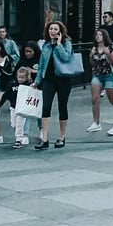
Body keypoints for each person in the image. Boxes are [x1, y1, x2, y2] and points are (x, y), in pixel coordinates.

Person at [35, 21, 76, 151]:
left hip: (63, 79)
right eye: (50, 29)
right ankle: (45, 138)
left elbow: (65, 57)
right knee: (46, 106)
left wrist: (58, 45)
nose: (52, 31)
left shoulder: (66, 44)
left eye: (55, 29)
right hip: (48, 79)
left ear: (60, 31)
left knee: (62, 106)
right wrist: (37, 81)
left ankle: (61, 136)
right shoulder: (46, 45)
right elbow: (41, 64)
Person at [86, 28, 113, 132]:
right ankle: (96, 122)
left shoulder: (110, 48)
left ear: (104, 37)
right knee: (95, 99)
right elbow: (92, 63)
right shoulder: (94, 48)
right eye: (97, 35)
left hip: (109, 75)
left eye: (100, 35)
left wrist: (108, 54)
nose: (98, 37)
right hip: (97, 75)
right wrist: (91, 56)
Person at [11, 43, 40, 147]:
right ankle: (24, 134)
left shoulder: (39, 59)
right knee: (24, 113)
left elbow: (42, 71)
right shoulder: (22, 61)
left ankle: (41, 129)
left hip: (37, 87)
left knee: (39, 110)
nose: (28, 54)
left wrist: (33, 71)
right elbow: (15, 73)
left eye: (30, 52)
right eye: (26, 52)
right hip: (23, 90)